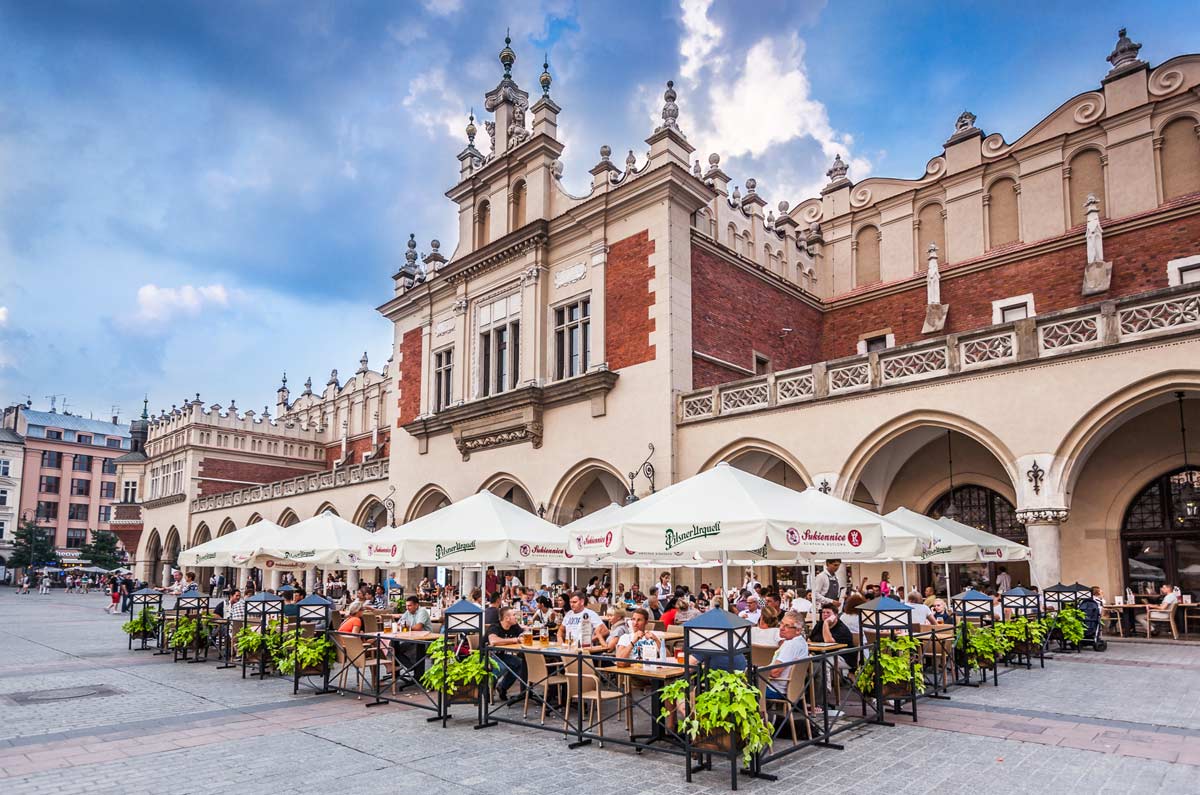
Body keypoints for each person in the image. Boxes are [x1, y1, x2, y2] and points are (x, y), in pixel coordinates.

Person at [764, 611, 809, 699]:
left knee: (737, 688)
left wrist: (757, 672)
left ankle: (760, 712)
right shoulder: (802, 642)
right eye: (781, 624)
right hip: (792, 689)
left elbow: (774, 672)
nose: (781, 628)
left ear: (798, 630)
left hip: (775, 690)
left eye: (787, 626)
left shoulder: (790, 645)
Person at [488, 606, 527, 701]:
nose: (516, 617)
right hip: (487, 655)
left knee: (519, 663)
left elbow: (522, 635)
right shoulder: (495, 626)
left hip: (500, 655)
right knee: (501, 666)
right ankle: (487, 689)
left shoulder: (514, 626)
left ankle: (502, 687)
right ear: (507, 618)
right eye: (514, 615)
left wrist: (524, 634)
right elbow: (493, 641)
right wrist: (514, 640)